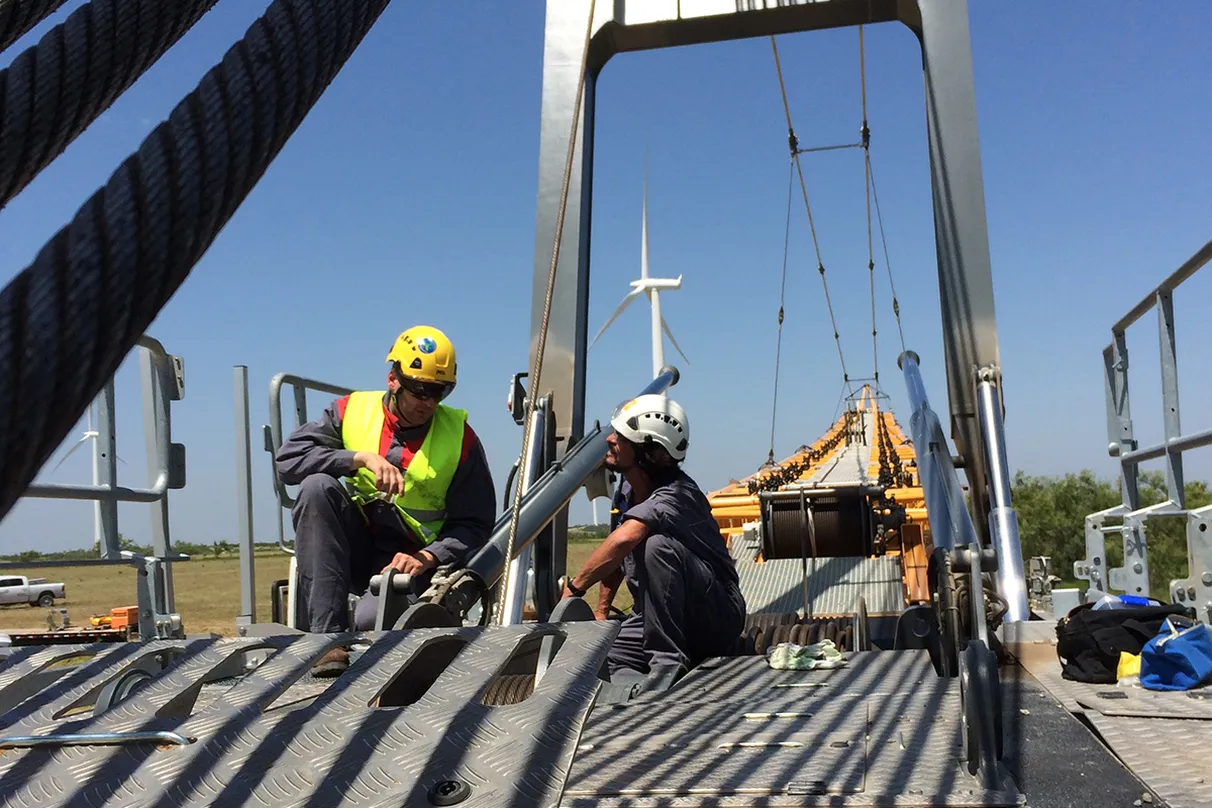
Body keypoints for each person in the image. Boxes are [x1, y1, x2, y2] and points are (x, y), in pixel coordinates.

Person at [275, 325, 496, 676]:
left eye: (440, 391)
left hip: (409, 562)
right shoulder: (351, 411)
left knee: (371, 619)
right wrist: (356, 459)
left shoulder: (460, 439)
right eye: (420, 389)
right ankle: (327, 642)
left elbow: (476, 523)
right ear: (393, 379)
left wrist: (427, 557)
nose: (428, 402)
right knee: (317, 487)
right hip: (354, 549)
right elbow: (289, 461)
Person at [561, 394, 746, 680]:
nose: (610, 439)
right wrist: (600, 613)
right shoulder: (626, 491)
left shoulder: (678, 494)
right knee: (592, 654)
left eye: (622, 437)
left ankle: (667, 665)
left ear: (650, 453)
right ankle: (632, 686)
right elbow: (616, 557)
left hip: (713, 618)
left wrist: (574, 588)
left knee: (657, 547)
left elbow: (626, 539)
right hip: (658, 617)